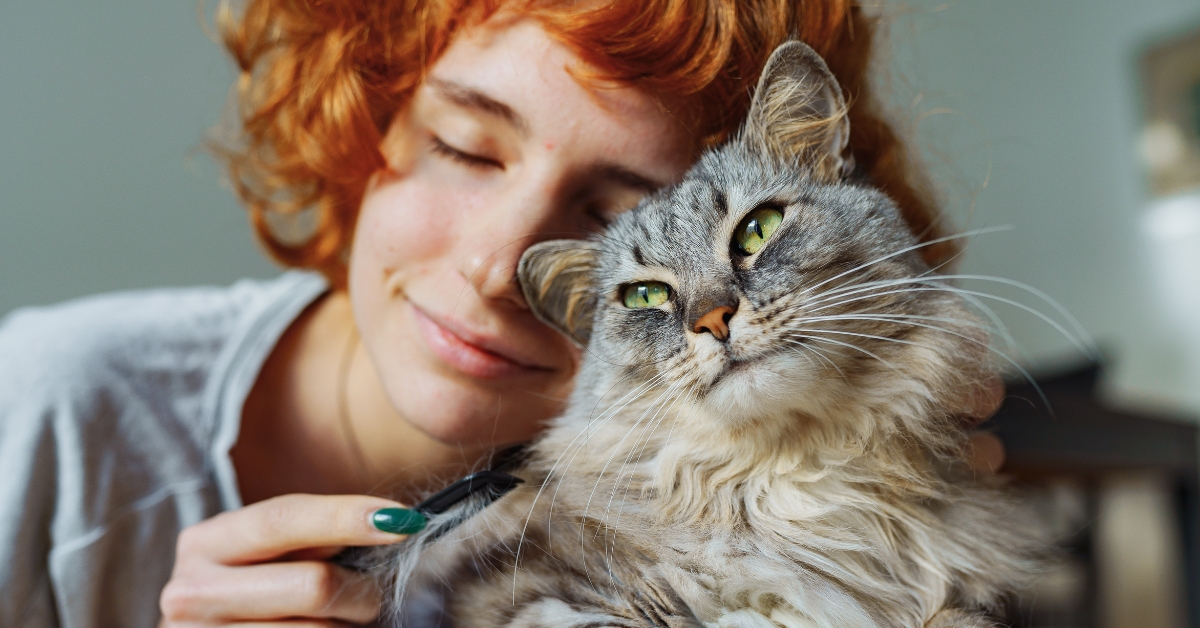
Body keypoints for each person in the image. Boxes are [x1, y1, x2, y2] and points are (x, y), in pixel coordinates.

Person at [0, 1, 1004, 626]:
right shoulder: (48, 405)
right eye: (468, 148)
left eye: (616, 214)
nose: (494, 266)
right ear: (363, 115)